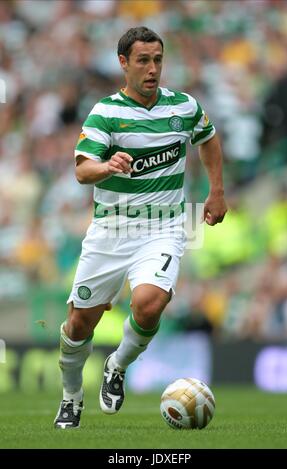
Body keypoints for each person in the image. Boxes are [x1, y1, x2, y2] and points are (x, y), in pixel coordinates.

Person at [54, 26, 227, 429]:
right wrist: (107, 165)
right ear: (123, 63)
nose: (152, 69)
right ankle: (71, 395)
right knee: (79, 325)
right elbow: (82, 170)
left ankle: (117, 364)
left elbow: (209, 138)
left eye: (158, 60)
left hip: (162, 227)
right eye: (143, 61)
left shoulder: (183, 107)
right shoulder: (106, 112)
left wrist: (216, 191)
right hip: (110, 231)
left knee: (150, 303)